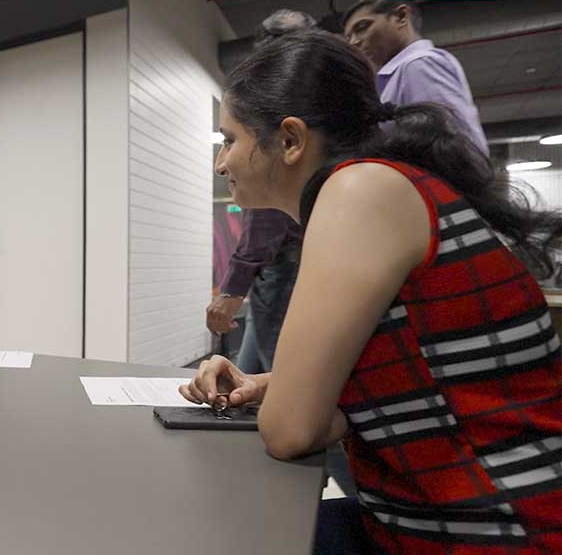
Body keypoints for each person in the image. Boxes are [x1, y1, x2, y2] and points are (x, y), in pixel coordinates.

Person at [184, 31, 561, 554]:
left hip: (497, 530)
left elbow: (290, 432)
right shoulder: (387, 186)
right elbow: (410, 387)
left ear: (290, 140)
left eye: (230, 139)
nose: (220, 163)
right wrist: (274, 382)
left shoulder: (359, 191)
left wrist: (288, 399)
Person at [208, 9, 312, 372]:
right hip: (279, 270)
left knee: (282, 379)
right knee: (248, 372)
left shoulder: (283, 113)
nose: (221, 165)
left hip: (284, 268)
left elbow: (267, 214)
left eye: (230, 140)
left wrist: (232, 288)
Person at [343, 0, 488, 155]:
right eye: (349, 37)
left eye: (362, 27)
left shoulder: (419, 64)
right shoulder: (400, 72)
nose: (354, 42)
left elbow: (445, 146)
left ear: (401, 16)